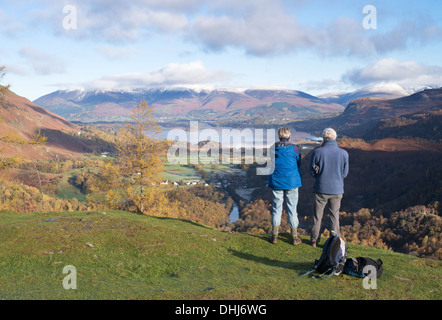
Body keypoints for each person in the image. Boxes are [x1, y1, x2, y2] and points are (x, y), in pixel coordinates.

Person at [309, 128, 349, 247]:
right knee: (334, 216)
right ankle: (334, 242)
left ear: (323, 138)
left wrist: (319, 175)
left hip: (320, 188)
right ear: (335, 138)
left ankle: (314, 240)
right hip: (337, 189)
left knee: (317, 216)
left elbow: (312, 171)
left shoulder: (317, 152)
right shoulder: (344, 153)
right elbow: (345, 173)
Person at [268, 127, 302, 245]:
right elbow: (299, 163)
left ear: (279, 136)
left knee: (276, 208)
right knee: (292, 209)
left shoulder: (272, 148)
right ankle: (295, 237)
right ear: (289, 137)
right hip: (292, 182)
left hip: (276, 181)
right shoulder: (295, 149)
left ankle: (274, 236)